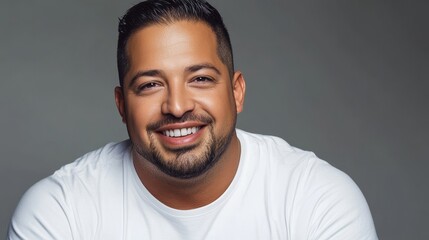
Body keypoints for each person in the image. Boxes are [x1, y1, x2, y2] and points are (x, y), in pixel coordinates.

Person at [8, 0, 378, 239]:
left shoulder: (316, 201)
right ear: (122, 105)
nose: (177, 105)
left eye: (200, 78)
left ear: (236, 92)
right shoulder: (60, 212)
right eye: (150, 84)